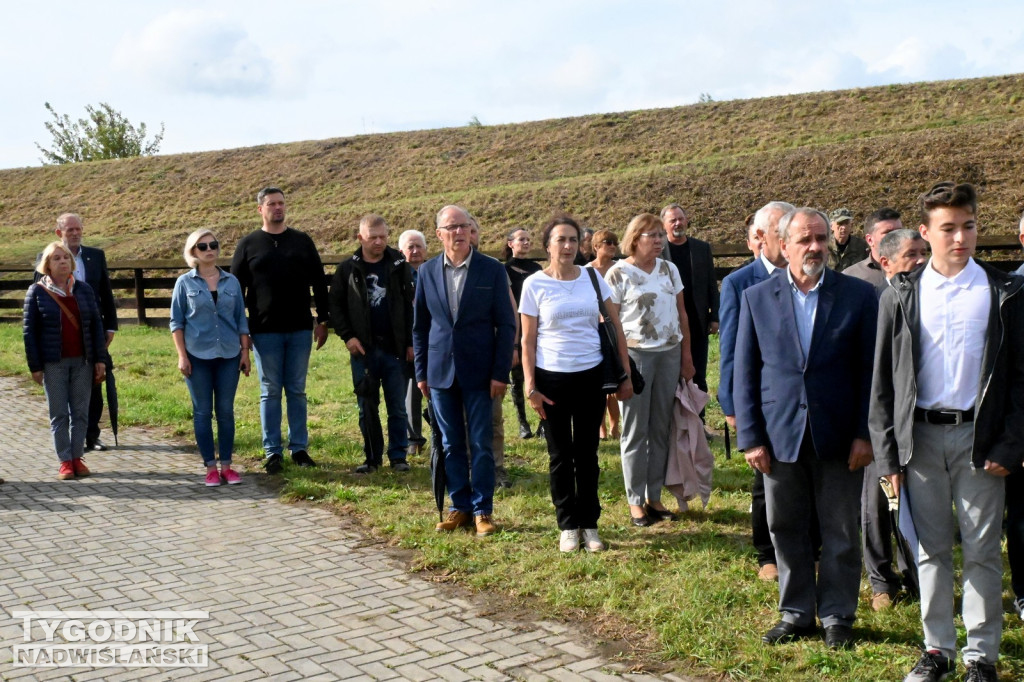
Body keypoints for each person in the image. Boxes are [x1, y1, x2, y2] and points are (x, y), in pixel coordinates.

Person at [871, 182, 1024, 682]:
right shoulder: (903, 293)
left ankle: (981, 656)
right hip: (919, 440)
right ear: (925, 232)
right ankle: (938, 650)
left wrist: (1012, 443)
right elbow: (883, 382)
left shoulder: (1004, 292)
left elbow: (1022, 377)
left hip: (980, 441)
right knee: (930, 550)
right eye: (948, 228)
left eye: (969, 226)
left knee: (982, 549)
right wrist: (887, 456)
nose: (960, 237)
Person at [735, 207, 877, 651]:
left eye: (820, 238)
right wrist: (751, 437)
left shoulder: (856, 296)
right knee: (785, 526)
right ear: (782, 244)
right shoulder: (757, 297)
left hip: (839, 435)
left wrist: (865, 433)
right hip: (779, 436)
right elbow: (745, 372)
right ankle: (796, 612)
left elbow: (871, 371)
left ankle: (837, 614)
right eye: (804, 239)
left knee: (839, 530)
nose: (814, 246)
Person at [520, 216, 632, 552]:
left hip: (591, 376)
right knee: (559, 456)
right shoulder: (534, 285)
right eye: (560, 240)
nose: (567, 246)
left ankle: (589, 524)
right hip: (551, 380)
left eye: (572, 240)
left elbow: (616, 326)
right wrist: (530, 386)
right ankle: (567, 525)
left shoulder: (592, 278)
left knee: (587, 454)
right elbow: (527, 341)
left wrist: (624, 374)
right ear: (548, 245)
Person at [414, 205, 516, 538]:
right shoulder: (427, 272)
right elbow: (420, 326)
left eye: (464, 226)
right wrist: (421, 372)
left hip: (481, 372)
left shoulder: (491, 270)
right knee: (450, 444)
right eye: (451, 227)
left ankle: (483, 510)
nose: (458, 232)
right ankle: (459, 507)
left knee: (481, 444)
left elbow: (506, 323)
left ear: (471, 230)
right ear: (439, 234)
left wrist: (501, 372)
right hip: (441, 372)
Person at [717, 201, 794, 581]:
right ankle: (767, 554)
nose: (787, 238)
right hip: (758, 398)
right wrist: (732, 404)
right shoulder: (738, 282)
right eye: (781, 231)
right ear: (761, 237)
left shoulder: (806, 278)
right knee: (764, 478)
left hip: (795, 399)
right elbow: (731, 349)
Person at [230, 187, 330, 474]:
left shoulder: (301, 241)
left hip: (300, 328)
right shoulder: (249, 244)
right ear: (260, 209)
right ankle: (272, 451)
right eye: (272, 204)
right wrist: (242, 333)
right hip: (263, 331)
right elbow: (234, 290)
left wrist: (322, 320)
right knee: (270, 391)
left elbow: (319, 282)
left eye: (282, 203)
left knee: (297, 390)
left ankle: (299, 448)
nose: (278, 208)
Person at [605, 213, 695, 527]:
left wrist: (686, 357)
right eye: (651, 235)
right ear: (635, 239)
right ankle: (634, 502)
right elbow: (611, 325)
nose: (658, 240)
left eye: (660, 235)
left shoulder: (670, 269)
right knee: (634, 431)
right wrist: (622, 367)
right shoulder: (618, 273)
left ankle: (654, 497)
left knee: (661, 429)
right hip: (636, 357)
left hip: (669, 354)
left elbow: (682, 315)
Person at [843, 207, 907, 610]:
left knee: (910, 496)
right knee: (878, 497)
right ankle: (881, 579)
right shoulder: (853, 281)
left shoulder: (921, 281)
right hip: (875, 408)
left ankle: (912, 570)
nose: (893, 241)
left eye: (898, 234)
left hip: (914, 409)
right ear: (870, 242)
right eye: (886, 235)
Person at [330, 214, 415, 474]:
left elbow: (414, 306)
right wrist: (348, 337)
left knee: (397, 408)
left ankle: (398, 456)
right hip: (363, 351)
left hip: (395, 349)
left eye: (383, 237)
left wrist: (411, 342)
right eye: (373, 237)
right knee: (367, 407)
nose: (379, 242)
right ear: (360, 238)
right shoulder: (348, 269)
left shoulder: (400, 266)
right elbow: (336, 306)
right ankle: (372, 458)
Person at [170, 230, 251, 486]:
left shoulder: (232, 282)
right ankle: (210, 468)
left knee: (225, 411)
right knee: (203, 412)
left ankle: (227, 465)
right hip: (197, 357)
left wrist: (245, 352)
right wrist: (182, 356)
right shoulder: (184, 283)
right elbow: (177, 323)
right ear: (193, 252)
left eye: (213, 245)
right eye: (202, 246)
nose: (209, 249)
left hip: (229, 355)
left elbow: (241, 319)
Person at [23, 241, 107, 480]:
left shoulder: (84, 290)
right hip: (53, 363)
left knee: (80, 412)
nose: (62, 262)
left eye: (66, 258)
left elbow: (96, 326)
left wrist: (100, 359)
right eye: (56, 258)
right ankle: (64, 461)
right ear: (47, 264)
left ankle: (77, 457)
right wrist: (35, 367)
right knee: (59, 414)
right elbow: (29, 333)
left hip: (83, 361)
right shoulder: (37, 292)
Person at [51, 213, 118, 452]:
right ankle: (68, 439)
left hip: (92, 332)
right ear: (59, 233)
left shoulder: (96, 256)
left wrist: (110, 326)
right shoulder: (48, 257)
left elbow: (106, 294)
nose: (75, 233)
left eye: (78, 229)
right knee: (64, 389)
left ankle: (92, 436)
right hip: (61, 335)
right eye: (70, 230)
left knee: (95, 383)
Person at [662, 204, 719, 400]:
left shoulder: (701, 248)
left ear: (686, 221)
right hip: (668, 323)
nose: (678, 223)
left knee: (698, 374)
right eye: (672, 220)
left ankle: (699, 425)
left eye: (680, 218)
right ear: (664, 226)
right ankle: (676, 427)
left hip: (697, 320)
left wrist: (714, 317)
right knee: (671, 376)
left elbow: (712, 284)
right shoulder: (660, 252)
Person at [504, 227, 542, 440]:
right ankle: (522, 424)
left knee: (541, 376)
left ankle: (543, 424)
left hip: (538, 326)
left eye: (528, 239)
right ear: (511, 243)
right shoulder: (504, 270)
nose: (526, 243)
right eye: (521, 239)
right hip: (516, 327)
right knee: (517, 378)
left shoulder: (537, 268)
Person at [587, 228, 621, 439]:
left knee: (614, 382)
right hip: (593, 329)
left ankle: (615, 426)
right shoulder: (585, 271)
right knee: (598, 383)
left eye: (614, 242)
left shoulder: (621, 269)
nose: (612, 245)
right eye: (607, 242)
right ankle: (600, 428)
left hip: (615, 328)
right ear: (596, 246)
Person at [399, 229, 429, 457]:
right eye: (410, 247)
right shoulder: (398, 276)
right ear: (401, 251)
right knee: (411, 390)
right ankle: (412, 438)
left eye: (419, 246)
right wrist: (410, 343)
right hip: (406, 343)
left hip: (435, 342)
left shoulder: (434, 272)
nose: (415, 251)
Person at [844, 208, 904, 297]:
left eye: (899, 232)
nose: (896, 237)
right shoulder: (851, 277)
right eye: (888, 233)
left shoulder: (916, 271)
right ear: (870, 240)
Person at [826, 207, 867, 272]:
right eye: (840, 223)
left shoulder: (861, 246)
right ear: (831, 226)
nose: (844, 227)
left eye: (846, 223)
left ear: (851, 225)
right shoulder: (824, 245)